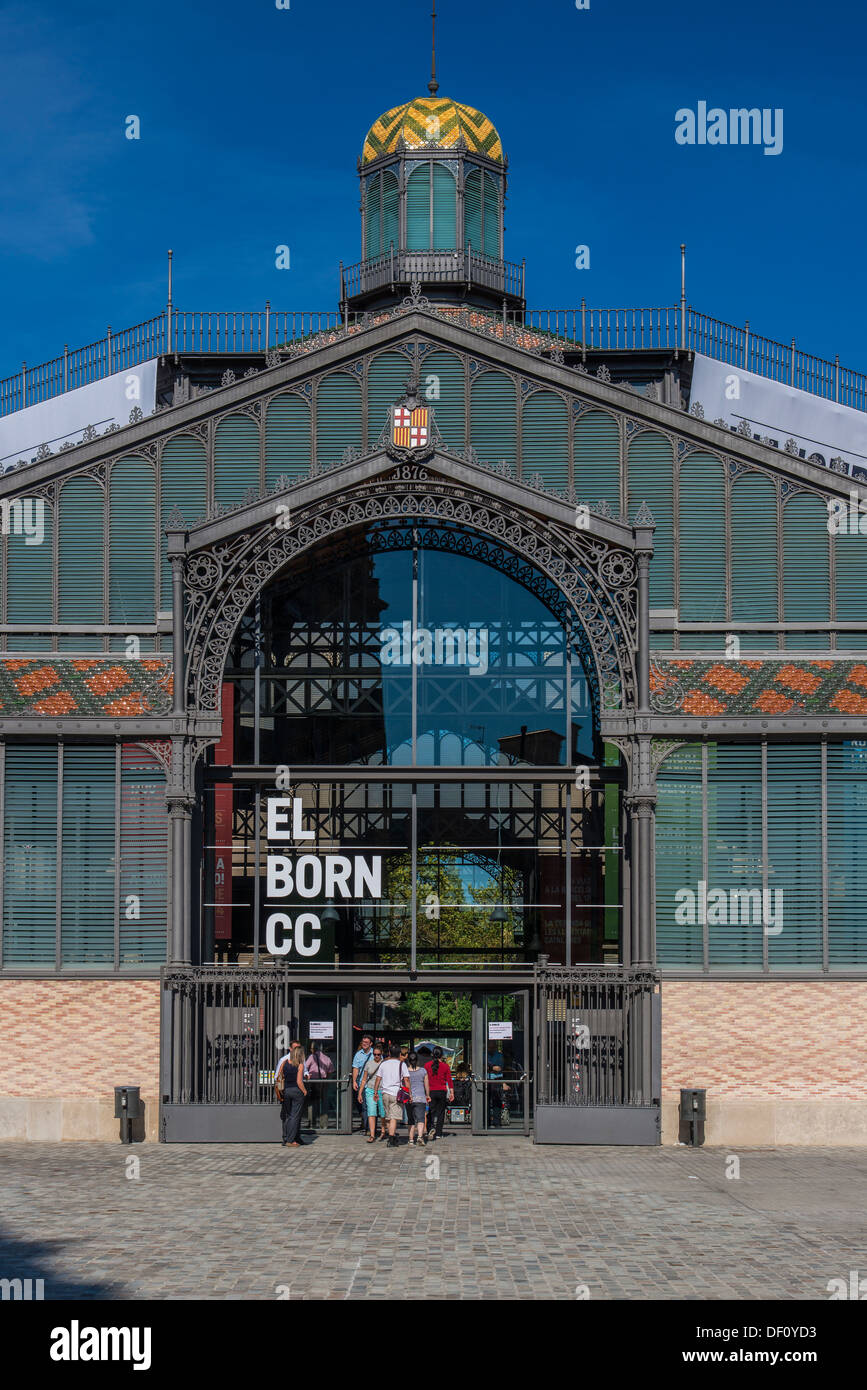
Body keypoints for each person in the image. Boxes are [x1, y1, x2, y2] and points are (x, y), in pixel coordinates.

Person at [373, 1044, 410, 1148]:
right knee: (393, 1117)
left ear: (389, 1053)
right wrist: (409, 1093)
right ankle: (391, 1138)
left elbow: (378, 1079)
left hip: (385, 1093)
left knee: (388, 1117)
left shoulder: (383, 1064)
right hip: (396, 1093)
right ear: (399, 1054)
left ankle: (391, 1135)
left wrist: (375, 1092)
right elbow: (406, 1080)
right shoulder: (401, 1064)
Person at [276, 1043, 307, 1147]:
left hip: (286, 1091)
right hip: (296, 1091)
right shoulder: (300, 1065)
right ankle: (291, 1140)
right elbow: (299, 1081)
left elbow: (279, 1076)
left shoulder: (284, 1062)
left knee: (289, 1116)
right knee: (295, 1116)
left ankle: (286, 1138)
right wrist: (305, 1091)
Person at [358, 1044, 386, 1142]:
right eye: (374, 1054)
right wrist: (360, 1093)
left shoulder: (385, 1063)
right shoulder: (369, 1063)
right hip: (370, 1090)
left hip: (382, 1090)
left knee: (383, 1112)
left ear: (381, 1054)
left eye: (378, 1054)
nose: (376, 1056)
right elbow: (364, 1079)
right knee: (371, 1112)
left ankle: (383, 1131)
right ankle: (372, 1135)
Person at [424, 1047, 453, 1141]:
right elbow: (449, 1081)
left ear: (432, 1054)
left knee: (430, 1112)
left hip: (430, 1091)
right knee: (440, 1113)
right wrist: (452, 1093)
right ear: (442, 1055)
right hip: (441, 1091)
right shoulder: (445, 1066)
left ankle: (430, 1128)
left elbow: (424, 1080)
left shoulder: (427, 1066)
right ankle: (439, 1133)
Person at [305, 1041, 335, 1129]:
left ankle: (312, 1123)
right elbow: (331, 1071)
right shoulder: (327, 1058)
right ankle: (324, 1124)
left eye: (311, 1048)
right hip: (324, 1082)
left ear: (314, 1049)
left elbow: (305, 1067)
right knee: (324, 1103)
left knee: (312, 1103)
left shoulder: (312, 1057)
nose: (310, 1050)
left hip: (313, 1082)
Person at [405, 1052, 430, 1146]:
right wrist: (428, 1095)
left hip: (409, 1098)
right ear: (417, 1060)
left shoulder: (405, 1071)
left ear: (408, 1061)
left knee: (411, 1120)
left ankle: (411, 1140)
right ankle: (420, 1137)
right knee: (420, 1119)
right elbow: (426, 1085)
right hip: (420, 1098)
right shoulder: (423, 1071)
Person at [351, 1034, 374, 1135]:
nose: (364, 1044)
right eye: (363, 1042)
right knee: (364, 1107)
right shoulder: (358, 1054)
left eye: (366, 1043)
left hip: (373, 1085)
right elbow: (356, 1068)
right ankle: (367, 1128)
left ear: (370, 1044)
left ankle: (371, 1128)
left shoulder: (376, 1054)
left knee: (372, 1107)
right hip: (362, 1085)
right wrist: (354, 1081)